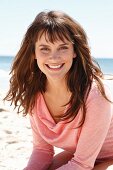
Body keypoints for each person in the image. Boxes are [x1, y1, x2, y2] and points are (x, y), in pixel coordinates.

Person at [4, 10, 113, 170]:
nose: (54, 57)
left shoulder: (94, 93)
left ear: (74, 51)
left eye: (63, 48)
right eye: (45, 49)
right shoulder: (35, 93)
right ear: (34, 52)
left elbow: (82, 164)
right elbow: (42, 150)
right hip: (84, 156)